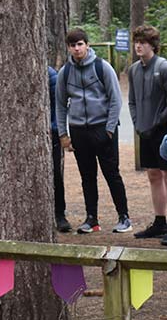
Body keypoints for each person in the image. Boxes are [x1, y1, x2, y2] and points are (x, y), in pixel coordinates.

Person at [55, 28, 131, 234]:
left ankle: (124, 216)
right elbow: (60, 104)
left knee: (111, 173)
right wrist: (63, 134)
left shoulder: (102, 67)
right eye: (72, 45)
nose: (77, 48)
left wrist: (109, 129)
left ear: (87, 45)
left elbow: (115, 99)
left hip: (103, 129)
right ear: (69, 48)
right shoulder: (65, 72)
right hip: (79, 131)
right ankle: (91, 218)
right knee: (87, 176)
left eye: (80, 44)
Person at [127, 25, 167, 245]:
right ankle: (159, 221)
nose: (139, 45)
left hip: (163, 131)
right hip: (144, 130)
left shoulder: (165, 68)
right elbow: (132, 101)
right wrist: (137, 123)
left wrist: (159, 121)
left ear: (153, 44)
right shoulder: (133, 70)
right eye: (137, 42)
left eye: (143, 42)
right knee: (153, 175)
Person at [49, 64, 70, 232]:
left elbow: (58, 108)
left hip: (50, 133)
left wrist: (56, 131)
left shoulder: (51, 76)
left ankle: (59, 214)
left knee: (55, 173)